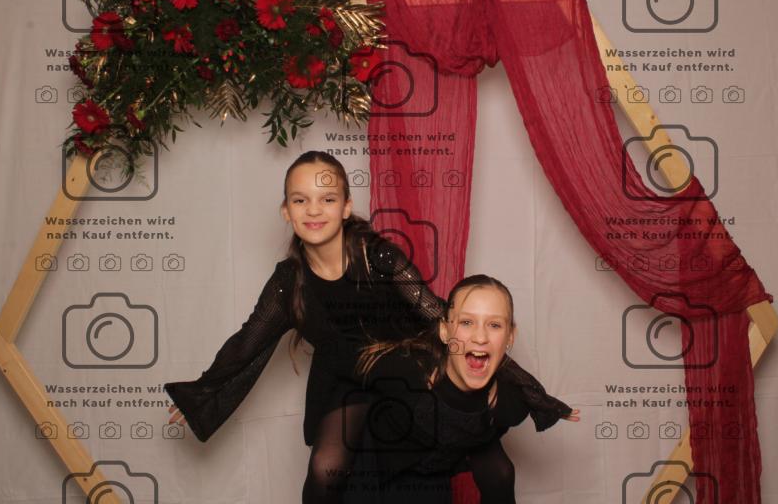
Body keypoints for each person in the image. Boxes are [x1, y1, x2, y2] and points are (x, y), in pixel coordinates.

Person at [164, 150, 573, 503]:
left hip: (408, 368)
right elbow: (248, 341)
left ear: (345, 206)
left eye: (327, 199)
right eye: (300, 200)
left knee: (498, 470)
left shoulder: (377, 256)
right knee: (325, 470)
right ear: (286, 211)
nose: (313, 210)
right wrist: (203, 392)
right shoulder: (289, 282)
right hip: (348, 379)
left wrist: (532, 392)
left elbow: (437, 314)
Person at [341, 274, 579, 503]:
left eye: (494, 325)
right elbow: (342, 363)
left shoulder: (510, 404)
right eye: (466, 322)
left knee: (501, 474)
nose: (480, 337)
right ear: (445, 331)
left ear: (510, 337)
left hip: (435, 475)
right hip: (377, 473)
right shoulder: (405, 372)